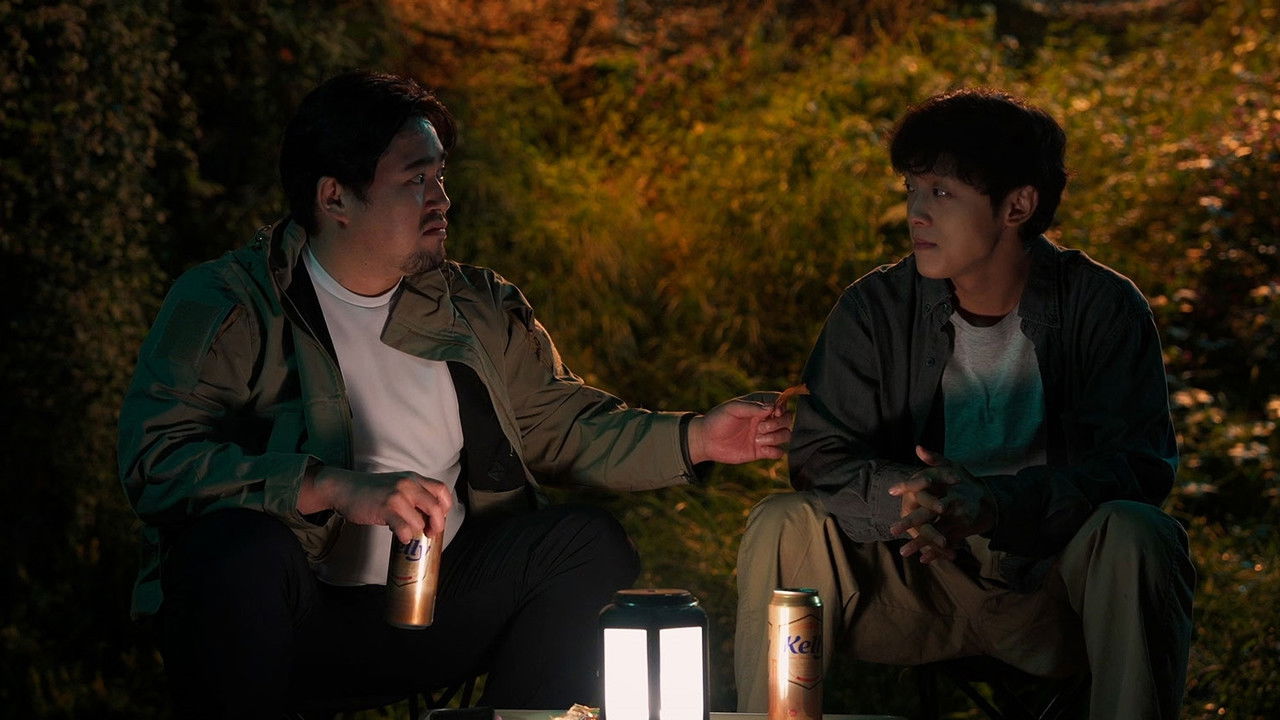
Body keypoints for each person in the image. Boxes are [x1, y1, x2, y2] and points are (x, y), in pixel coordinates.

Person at [118, 70, 792, 719]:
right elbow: (157, 462)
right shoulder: (230, 302)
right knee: (233, 550)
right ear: (334, 198)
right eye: (416, 179)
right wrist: (331, 486)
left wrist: (698, 437)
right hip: (292, 619)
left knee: (586, 543)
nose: (441, 198)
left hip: (436, 607)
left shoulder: (475, 305)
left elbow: (562, 424)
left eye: (440, 176)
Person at [734, 89, 1194, 718]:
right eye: (912, 190)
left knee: (1140, 533)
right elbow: (820, 455)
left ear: (1017, 206)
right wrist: (916, 497)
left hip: (1052, 592)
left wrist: (995, 506)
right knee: (781, 523)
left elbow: (1136, 468)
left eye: (942, 193)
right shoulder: (875, 309)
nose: (916, 213)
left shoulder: (1102, 306)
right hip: (915, 580)